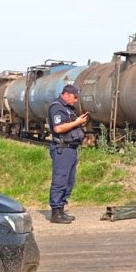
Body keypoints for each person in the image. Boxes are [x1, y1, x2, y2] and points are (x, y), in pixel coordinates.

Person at [47, 84, 89, 224]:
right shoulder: (57, 107)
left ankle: (61, 209)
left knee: (69, 181)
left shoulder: (68, 109)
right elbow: (58, 128)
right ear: (66, 94)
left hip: (71, 149)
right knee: (60, 180)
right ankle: (56, 212)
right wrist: (76, 122)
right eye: (74, 97)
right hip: (62, 148)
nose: (76, 100)